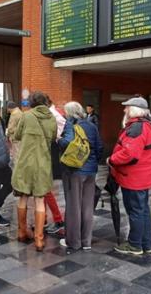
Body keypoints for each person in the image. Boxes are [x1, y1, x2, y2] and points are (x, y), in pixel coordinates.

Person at [107, 96, 151, 255]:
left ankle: (135, 245)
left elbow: (130, 155)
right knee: (143, 210)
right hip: (144, 176)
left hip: (134, 178)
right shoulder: (149, 126)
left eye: (127, 107)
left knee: (136, 211)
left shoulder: (136, 128)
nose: (124, 110)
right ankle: (147, 244)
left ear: (134, 110)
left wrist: (111, 160)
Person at [11, 91, 57, 251]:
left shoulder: (27, 115)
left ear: (32, 102)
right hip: (42, 164)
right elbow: (53, 138)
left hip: (25, 162)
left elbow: (16, 135)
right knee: (39, 200)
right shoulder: (51, 118)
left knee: (23, 197)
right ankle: (39, 240)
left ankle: (22, 231)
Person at [58, 101, 103, 252]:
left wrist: (58, 140)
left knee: (73, 206)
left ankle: (74, 242)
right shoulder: (91, 125)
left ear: (69, 113)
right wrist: (93, 163)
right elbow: (99, 147)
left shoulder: (70, 124)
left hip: (75, 170)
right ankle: (86, 241)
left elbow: (67, 143)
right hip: (91, 171)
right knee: (88, 206)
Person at [44, 97, 66, 235]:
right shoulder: (54, 114)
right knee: (44, 192)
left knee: (45, 191)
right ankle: (46, 219)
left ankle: (56, 219)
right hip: (50, 155)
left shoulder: (52, 115)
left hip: (49, 156)